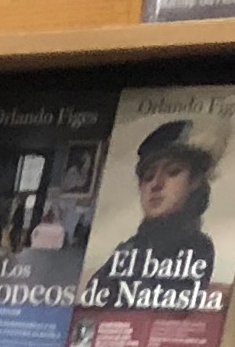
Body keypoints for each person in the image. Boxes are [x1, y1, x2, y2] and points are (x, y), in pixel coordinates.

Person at [86, 119, 222, 303]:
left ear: (195, 180)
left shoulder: (197, 247)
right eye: (148, 176)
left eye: (173, 172)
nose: (156, 184)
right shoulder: (129, 249)